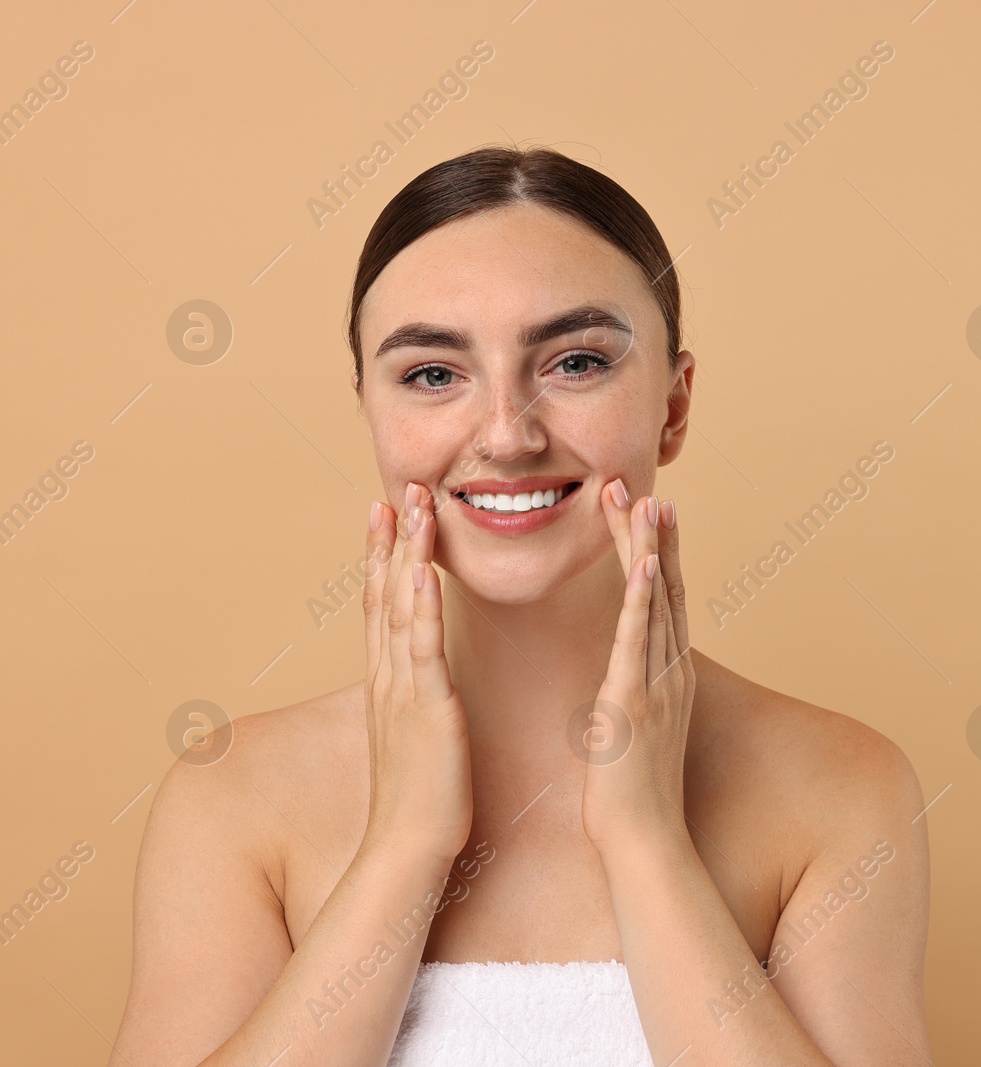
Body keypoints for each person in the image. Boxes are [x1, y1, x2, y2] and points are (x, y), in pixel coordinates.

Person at [109, 145, 932, 1066]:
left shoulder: (838, 788)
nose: (507, 434)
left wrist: (648, 841)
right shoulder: (232, 800)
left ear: (674, 403)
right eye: (431, 374)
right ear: (371, 411)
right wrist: (404, 845)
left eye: (575, 362)